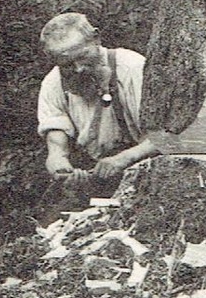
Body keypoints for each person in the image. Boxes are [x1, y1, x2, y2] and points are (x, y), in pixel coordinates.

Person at [37, 12, 158, 204]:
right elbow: (56, 147)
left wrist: (123, 159)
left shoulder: (132, 67)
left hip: (145, 169)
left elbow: (165, 135)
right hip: (94, 176)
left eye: (83, 57)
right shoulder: (53, 84)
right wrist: (61, 169)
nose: (78, 69)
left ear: (96, 38)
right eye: (67, 64)